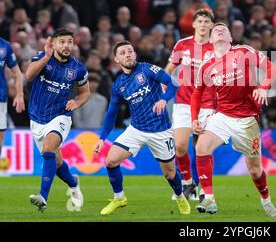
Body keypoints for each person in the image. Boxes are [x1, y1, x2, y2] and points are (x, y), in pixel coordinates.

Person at [191, 22, 276, 217]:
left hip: (247, 119)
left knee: (255, 170)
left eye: (224, 30)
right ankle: (209, 199)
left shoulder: (244, 51)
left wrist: (263, 87)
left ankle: (266, 200)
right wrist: (194, 119)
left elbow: (272, 68)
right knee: (201, 148)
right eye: (215, 31)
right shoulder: (206, 65)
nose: (219, 31)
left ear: (231, 38)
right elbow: (197, 93)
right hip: (222, 115)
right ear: (211, 40)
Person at [94, 41, 190, 216]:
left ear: (135, 54)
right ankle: (119, 198)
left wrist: (163, 100)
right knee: (110, 161)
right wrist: (102, 138)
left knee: (169, 173)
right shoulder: (119, 85)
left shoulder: (146, 69)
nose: (128, 54)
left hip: (161, 130)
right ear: (116, 59)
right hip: (136, 130)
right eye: (123, 53)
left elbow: (173, 83)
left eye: (130, 51)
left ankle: (179, 196)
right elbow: (111, 114)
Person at [25, 29, 91, 212]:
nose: (66, 45)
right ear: (53, 44)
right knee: (57, 162)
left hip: (60, 116)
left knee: (48, 148)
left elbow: (85, 93)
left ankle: (42, 196)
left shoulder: (78, 68)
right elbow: (28, 75)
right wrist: (46, 57)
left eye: (69, 42)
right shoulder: (42, 57)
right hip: (37, 118)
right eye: (62, 42)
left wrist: (77, 102)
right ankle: (73, 182)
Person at [164, 9, 215, 201]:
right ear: (193, 24)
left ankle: (205, 189)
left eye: (206, 21)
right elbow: (169, 69)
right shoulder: (182, 44)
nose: (203, 24)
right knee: (180, 146)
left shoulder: (217, 48)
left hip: (208, 104)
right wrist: (159, 87)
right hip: (184, 102)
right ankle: (188, 183)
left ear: (211, 25)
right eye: (199, 21)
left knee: (203, 148)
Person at [0, 37, 25, 161]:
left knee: (0, 140)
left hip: (1, 99)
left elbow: (17, 73)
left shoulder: (5, 46)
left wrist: (19, 94)